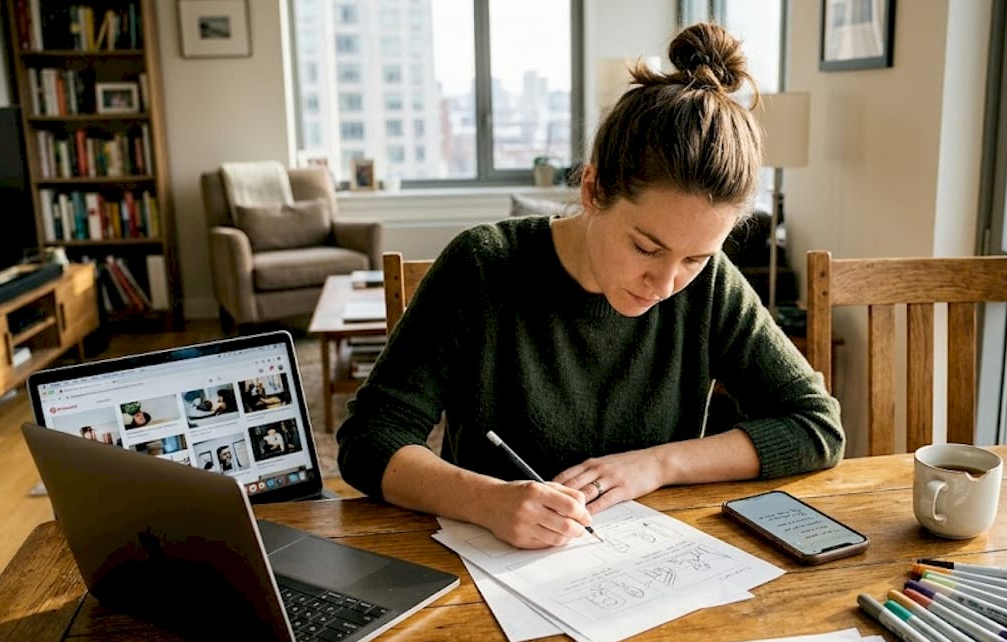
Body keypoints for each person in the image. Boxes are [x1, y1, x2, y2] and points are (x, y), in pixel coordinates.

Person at [336, 22, 844, 550]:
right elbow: (369, 440)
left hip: (648, 569)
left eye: (694, 257)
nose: (665, 284)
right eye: (646, 248)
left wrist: (657, 465)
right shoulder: (483, 265)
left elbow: (816, 424)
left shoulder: (710, 285)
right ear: (593, 189)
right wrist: (486, 501)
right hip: (491, 573)